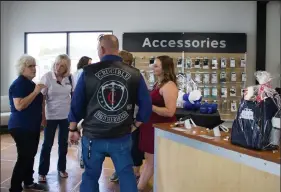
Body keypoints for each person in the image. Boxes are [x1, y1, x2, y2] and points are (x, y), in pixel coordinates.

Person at [68, 34, 152, 192]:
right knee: (126, 174)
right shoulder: (135, 74)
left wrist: (72, 129)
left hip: (93, 135)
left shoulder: (87, 72)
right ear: (118, 50)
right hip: (121, 135)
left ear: (101, 49)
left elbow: (76, 104)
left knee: (91, 175)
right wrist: (135, 124)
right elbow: (146, 106)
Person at [137, 55, 178, 191]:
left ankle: (139, 188)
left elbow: (170, 111)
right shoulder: (158, 83)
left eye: (156, 66)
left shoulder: (169, 86)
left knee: (151, 162)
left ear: (165, 68)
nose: (152, 67)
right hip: (151, 127)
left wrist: (150, 106)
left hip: (160, 128)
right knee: (150, 161)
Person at [8, 54, 46, 192]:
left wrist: (43, 118)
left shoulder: (30, 83)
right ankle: (15, 188)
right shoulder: (19, 84)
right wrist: (36, 92)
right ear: (22, 68)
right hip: (21, 126)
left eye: (34, 65)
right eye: (30, 66)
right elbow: (19, 106)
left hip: (32, 126)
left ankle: (28, 182)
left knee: (29, 155)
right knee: (24, 157)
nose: (34, 69)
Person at [109, 50, 148, 183]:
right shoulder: (114, 76)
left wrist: (137, 122)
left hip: (133, 117)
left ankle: (135, 172)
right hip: (117, 118)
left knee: (134, 147)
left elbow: (144, 100)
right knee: (118, 148)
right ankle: (119, 170)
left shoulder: (137, 76)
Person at [38, 54, 73, 182]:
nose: (58, 67)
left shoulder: (70, 77)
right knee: (47, 144)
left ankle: (62, 168)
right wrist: (43, 117)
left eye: (62, 65)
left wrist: (74, 117)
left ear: (67, 67)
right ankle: (42, 172)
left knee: (63, 144)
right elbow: (41, 100)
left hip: (65, 116)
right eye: (57, 64)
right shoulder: (47, 77)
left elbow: (73, 97)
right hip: (50, 116)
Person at [72, 56, 92, 169]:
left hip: (80, 108)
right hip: (84, 109)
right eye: (89, 63)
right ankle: (82, 158)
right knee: (83, 134)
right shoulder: (83, 73)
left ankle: (82, 158)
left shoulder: (77, 73)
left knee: (81, 134)